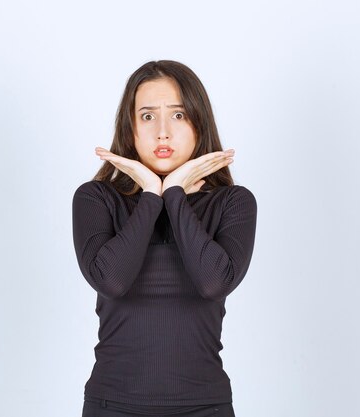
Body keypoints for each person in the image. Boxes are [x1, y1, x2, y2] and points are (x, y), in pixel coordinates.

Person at [71, 60, 257, 417]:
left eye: (177, 115)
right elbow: (112, 280)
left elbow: (213, 282)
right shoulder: (96, 199)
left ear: (199, 124)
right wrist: (151, 196)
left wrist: (174, 194)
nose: (162, 133)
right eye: (147, 116)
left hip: (205, 407)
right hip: (113, 406)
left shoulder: (233, 203)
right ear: (129, 129)